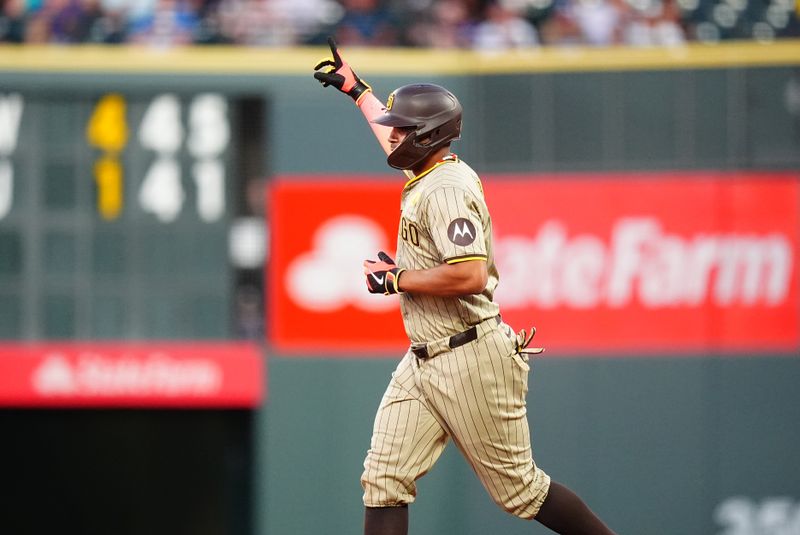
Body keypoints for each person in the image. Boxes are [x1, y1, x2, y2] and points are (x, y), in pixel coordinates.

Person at [313, 38, 618, 535]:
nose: (393, 137)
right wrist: (360, 93)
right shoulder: (428, 169)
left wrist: (398, 278)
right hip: (423, 359)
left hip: (470, 354)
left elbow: (470, 273)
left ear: (427, 135)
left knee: (521, 491)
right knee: (384, 478)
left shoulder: (447, 188)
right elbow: (396, 139)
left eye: (402, 129)